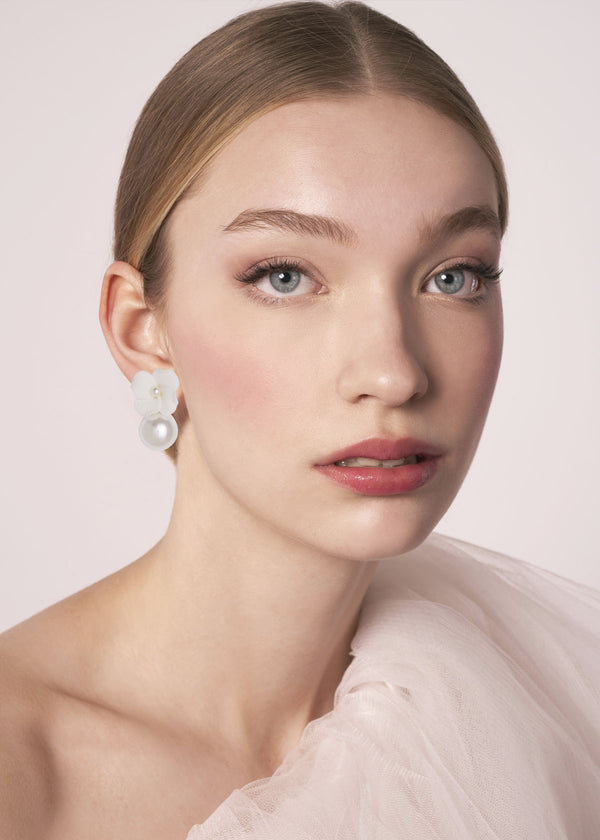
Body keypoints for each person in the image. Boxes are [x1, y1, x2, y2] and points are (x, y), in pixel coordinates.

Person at [1, 1, 598, 837]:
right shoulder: (22, 769)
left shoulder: (547, 712)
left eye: (455, 277)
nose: (394, 370)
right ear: (143, 329)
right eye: (285, 276)